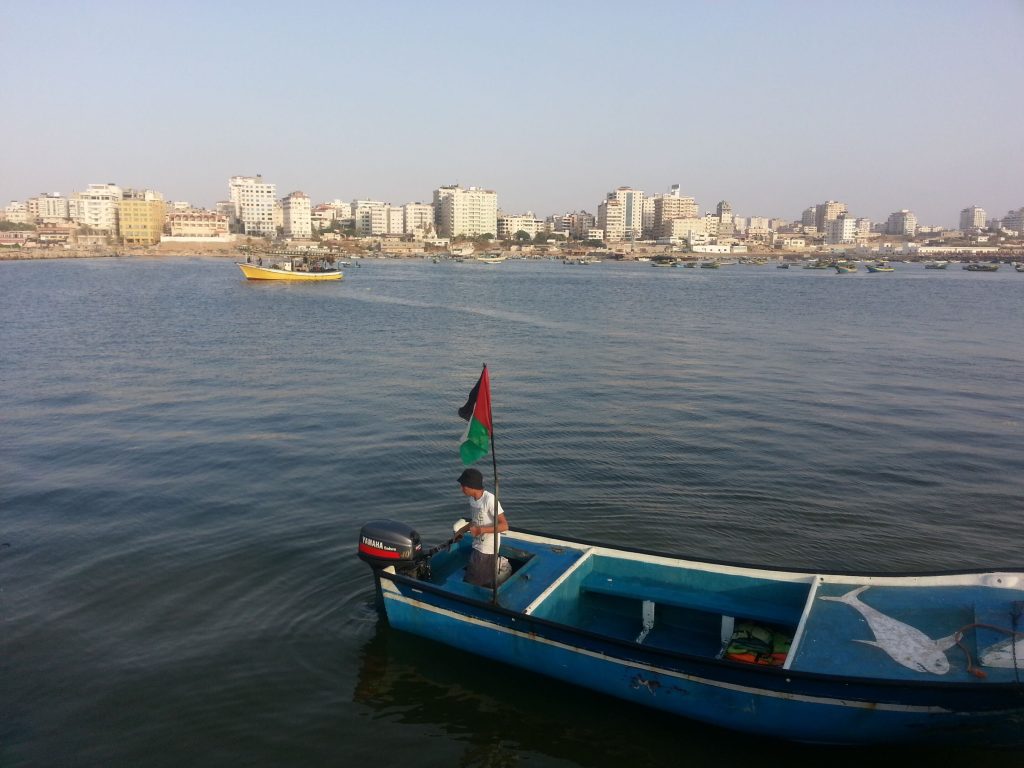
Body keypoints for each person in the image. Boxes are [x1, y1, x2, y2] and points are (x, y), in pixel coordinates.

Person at [456, 468, 511, 587]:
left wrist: (481, 530)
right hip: (477, 545)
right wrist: (461, 530)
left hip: (487, 549)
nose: (461, 489)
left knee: (473, 583)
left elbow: (504, 525)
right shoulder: (472, 500)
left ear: (472, 486)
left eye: (463, 486)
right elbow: (475, 521)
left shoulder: (490, 500)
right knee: (474, 576)